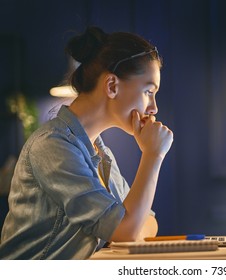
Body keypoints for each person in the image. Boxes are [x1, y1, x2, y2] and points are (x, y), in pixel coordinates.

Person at [0, 26, 173, 259]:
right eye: (148, 92)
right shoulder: (52, 146)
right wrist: (153, 155)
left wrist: (125, 227)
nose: (153, 108)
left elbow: (149, 222)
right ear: (112, 86)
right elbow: (129, 230)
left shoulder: (101, 153)